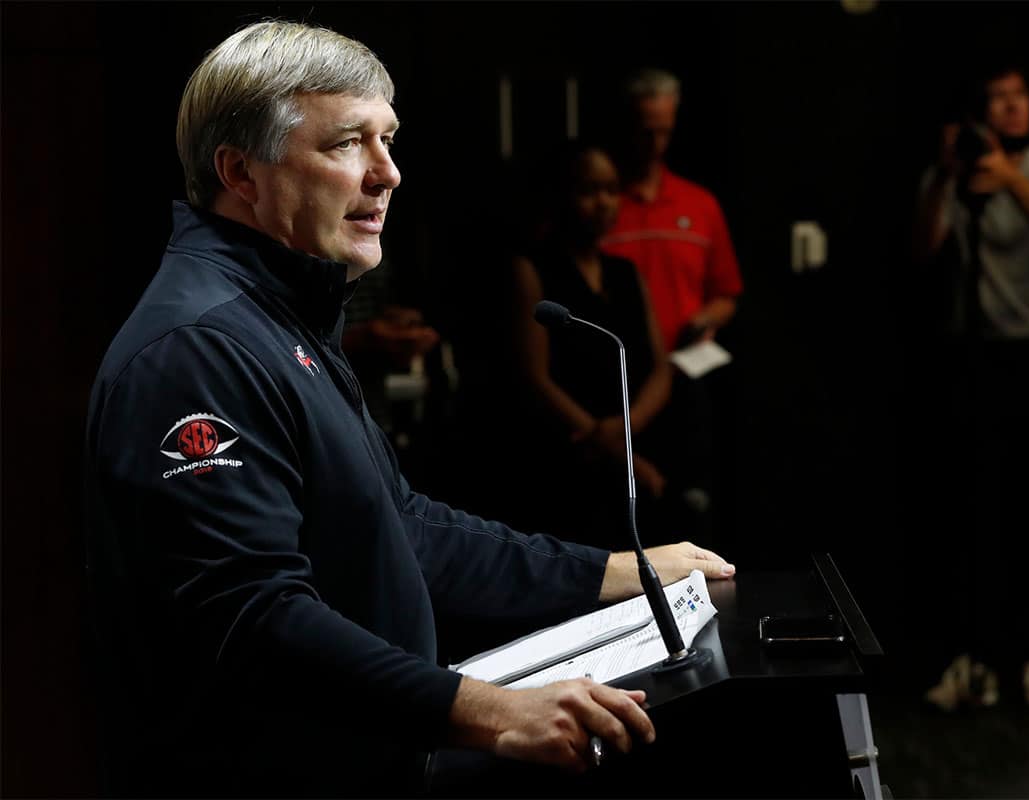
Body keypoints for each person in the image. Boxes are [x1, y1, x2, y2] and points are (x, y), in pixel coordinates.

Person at [84, 21, 736, 797]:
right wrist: (489, 712)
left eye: (388, 140)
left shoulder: (285, 317)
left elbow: (401, 524)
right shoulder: (196, 351)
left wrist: (609, 572)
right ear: (241, 172)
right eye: (346, 144)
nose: (387, 173)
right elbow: (252, 619)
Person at [913, 62, 1029, 712]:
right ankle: (970, 659)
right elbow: (923, 250)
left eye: (1020, 96)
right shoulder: (952, 180)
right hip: (971, 357)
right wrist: (949, 177)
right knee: (969, 509)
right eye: (998, 100)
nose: (1012, 110)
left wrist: (1008, 175)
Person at [599, 69, 744, 544]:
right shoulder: (602, 203)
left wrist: (706, 319)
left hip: (684, 381)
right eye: (645, 129)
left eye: (664, 129)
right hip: (618, 380)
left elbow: (727, 293)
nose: (655, 142)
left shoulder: (698, 204)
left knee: (693, 512)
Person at [512, 143, 674, 550]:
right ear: (562, 196)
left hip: (636, 442)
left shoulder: (626, 272)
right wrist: (610, 446)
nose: (603, 203)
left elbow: (661, 367)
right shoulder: (532, 268)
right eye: (588, 190)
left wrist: (626, 429)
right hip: (568, 455)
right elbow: (534, 377)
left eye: (611, 189)